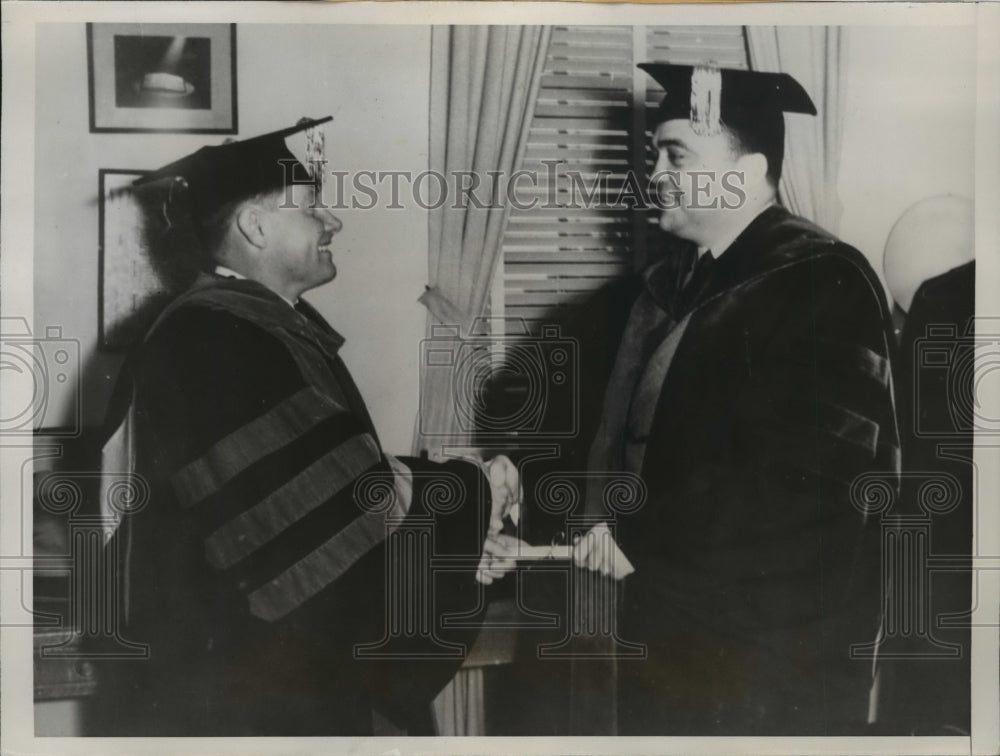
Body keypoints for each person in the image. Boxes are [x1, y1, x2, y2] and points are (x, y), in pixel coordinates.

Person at [90, 118, 519, 736]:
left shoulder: (255, 327)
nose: (333, 222)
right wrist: (472, 493)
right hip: (242, 688)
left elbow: (333, 476)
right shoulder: (215, 338)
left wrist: (464, 497)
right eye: (313, 207)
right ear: (255, 227)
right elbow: (327, 512)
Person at [563, 65, 901, 734]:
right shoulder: (671, 287)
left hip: (771, 653)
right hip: (672, 630)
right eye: (652, 154)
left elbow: (814, 485)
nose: (653, 173)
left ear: (745, 173)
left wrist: (645, 544)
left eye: (675, 154)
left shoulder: (819, 278)